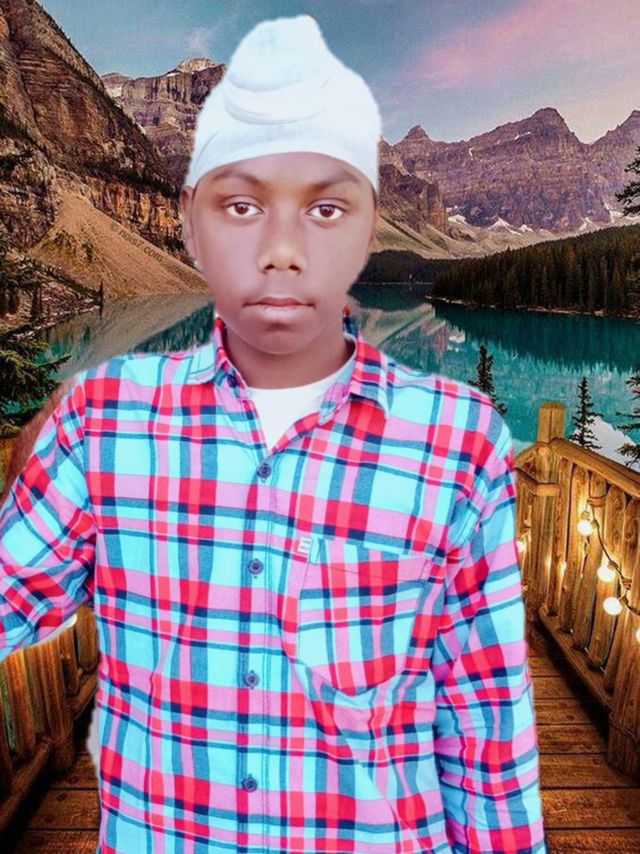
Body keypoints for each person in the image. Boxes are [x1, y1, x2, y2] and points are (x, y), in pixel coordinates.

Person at [0, 13, 545, 853]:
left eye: (325, 207)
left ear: (367, 227)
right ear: (192, 224)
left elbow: (486, 725)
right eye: (242, 204)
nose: (282, 249)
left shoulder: (458, 440)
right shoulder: (102, 419)